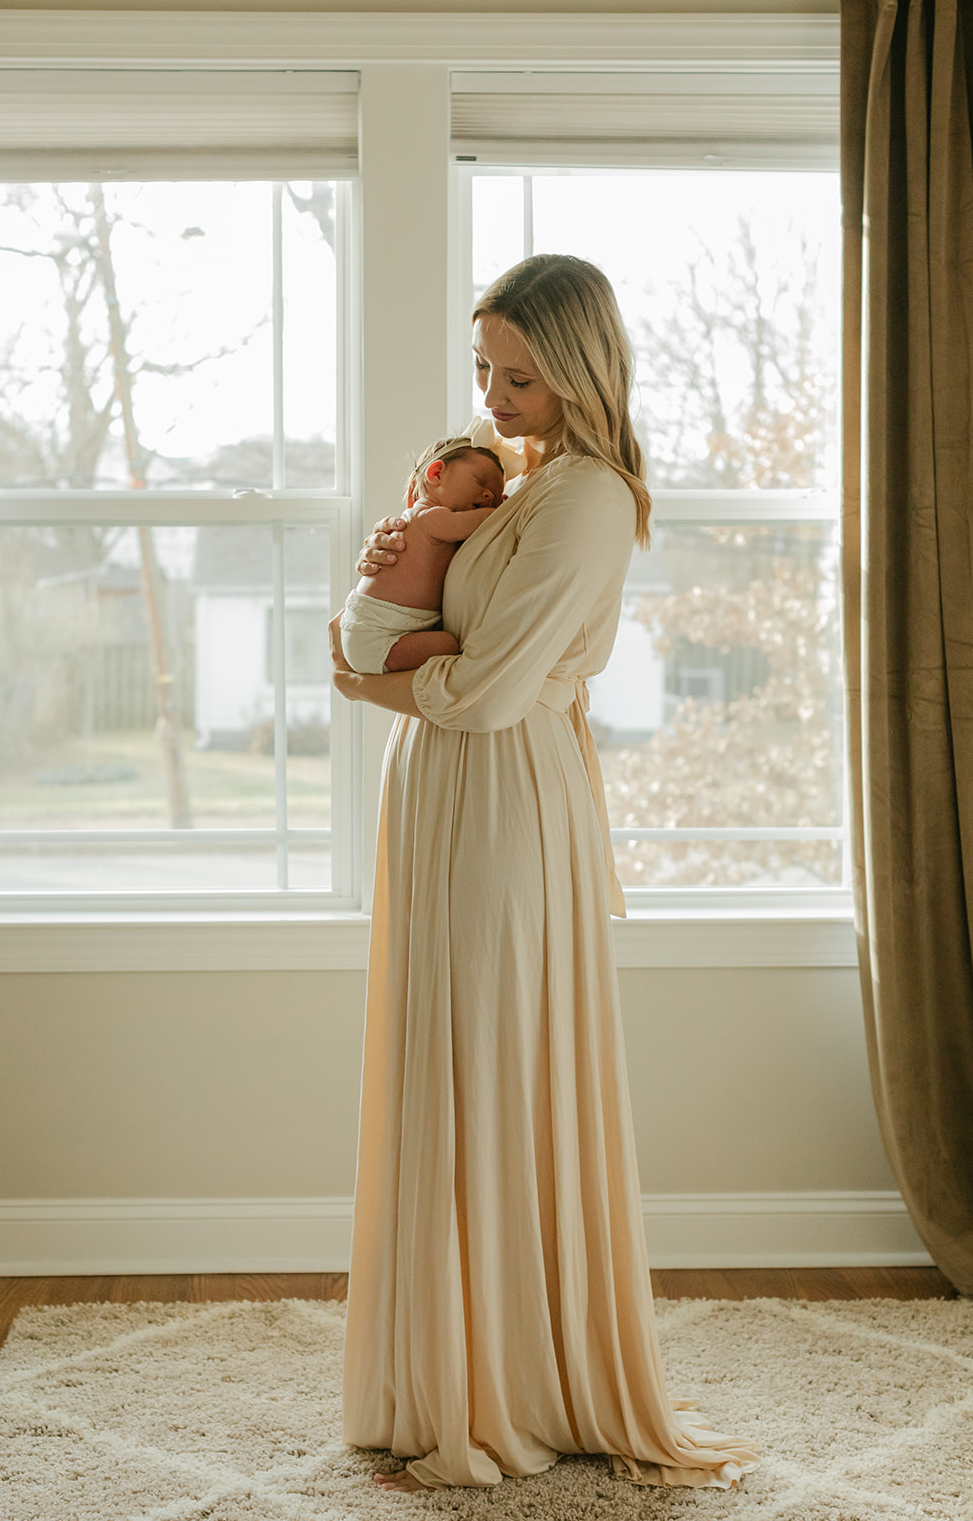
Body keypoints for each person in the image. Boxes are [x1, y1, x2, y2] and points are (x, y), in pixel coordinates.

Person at [330, 253, 758, 1495]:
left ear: (578, 367)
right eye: (484, 369)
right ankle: (438, 1377)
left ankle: (502, 1396)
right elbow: (425, 634)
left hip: (505, 794)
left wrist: (372, 681)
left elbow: (492, 686)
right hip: (447, 786)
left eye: (520, 373)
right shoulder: (510, 485)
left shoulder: (584, 499)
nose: (496, 394)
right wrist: (398, 566)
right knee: (443, 1066)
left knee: (494, 1070)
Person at [340, 432, 506, 676]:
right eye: (480, 482)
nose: (489, 496)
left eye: (494, 493)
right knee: (448, 644)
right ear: (436, 474)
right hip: (377, 636)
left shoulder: (437, 525)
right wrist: (505, 507)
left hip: (380, 631)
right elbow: (488, 521)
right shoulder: (429, 518)